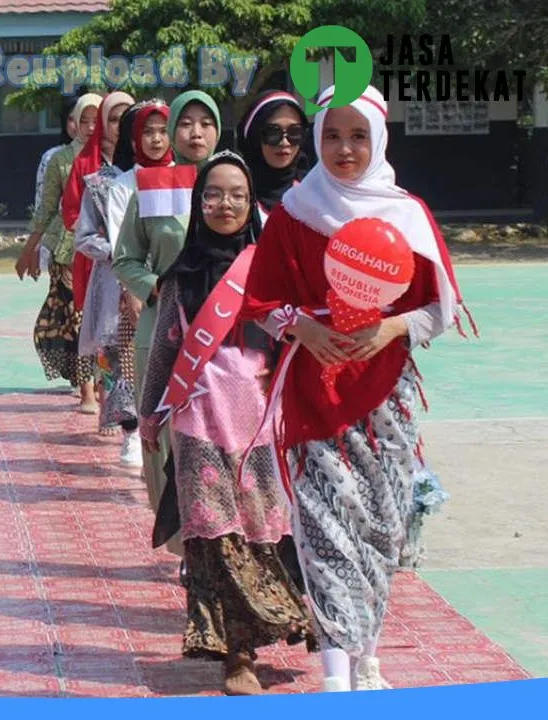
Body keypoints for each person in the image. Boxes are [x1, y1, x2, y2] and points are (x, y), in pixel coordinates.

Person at [239, 85, 472, 693]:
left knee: (381, 527)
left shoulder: (406, 214)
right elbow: (260, 299)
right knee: (324, 529)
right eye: (333, 135)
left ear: (379, 139)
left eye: (358, 135)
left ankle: (367, 651)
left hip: (386, 395)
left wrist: (393, 324)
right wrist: (304, 328)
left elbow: (439, 306)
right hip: (314, 391)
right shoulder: (295, 212)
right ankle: (336, 674)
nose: (345, 148)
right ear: (317, 139)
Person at [138, 150, 316, 695]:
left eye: (237, 194)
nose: (225, 204)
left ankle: (270, 629)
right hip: (199, 421)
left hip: (262, 422)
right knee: (214, 538)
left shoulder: (270, 271)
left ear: (251, 203)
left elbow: (298, 346)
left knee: (263, 532)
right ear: (198, 203)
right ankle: (234, 655)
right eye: (213, 194)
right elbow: (165, 349)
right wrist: (148, 416)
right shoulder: (182, 274)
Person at [113, 90, 221, 563]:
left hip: (224, 336)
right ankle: (183, 541)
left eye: (205, 123)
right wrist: (156, 287)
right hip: (163, 334)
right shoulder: (151, 187)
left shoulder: (235, 183)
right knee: (165, 436)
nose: (195, 133)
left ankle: (216, 542)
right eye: (186, 123)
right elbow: (125, 257)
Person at [75, 99, 171, 458]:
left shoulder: (184, 177)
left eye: (163, 131)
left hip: (169, 282)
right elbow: (104, 237)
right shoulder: (109, 185)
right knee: (124, 355)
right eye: (147, 131)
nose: (156, 140)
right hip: (122, 282)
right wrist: (133, 278)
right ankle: (132, 428)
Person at [15, 93, 102, 408]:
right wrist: (30, 249)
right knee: (78, 319)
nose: (91, 127)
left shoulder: (112, 159)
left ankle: (105, 387)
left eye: (97, 120)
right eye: (84, 120)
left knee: (104, 320)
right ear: (73, 123)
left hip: (104, 252)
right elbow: (47, 208)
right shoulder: (60, 160)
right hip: (66, 250)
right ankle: (87, 391)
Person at [61, 91, 135, 415]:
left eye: (128, 118)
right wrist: (120, 251)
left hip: (154, 279)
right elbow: (76, 220)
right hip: (104, 271)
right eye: (115, 120)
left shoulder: (164, 174)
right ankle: (123, 420)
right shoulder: (91, 172)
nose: (121, 128)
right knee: (111, 344)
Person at [235, 92, 310, 217]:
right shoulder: (233, 193)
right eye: (273, 133)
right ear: (255, 137)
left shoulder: (313, 193)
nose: (284, 142)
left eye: (294, 132)